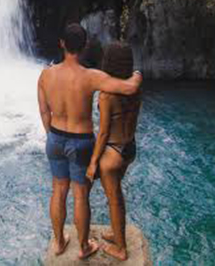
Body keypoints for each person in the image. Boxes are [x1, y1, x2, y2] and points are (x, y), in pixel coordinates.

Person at [37, 24, 143, 259]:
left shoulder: (46, 74)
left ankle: (59, 242)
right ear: (84, 47)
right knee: (80, 195)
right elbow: (128, 87)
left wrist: (51, 135)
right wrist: (137, 74)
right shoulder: (91, 77)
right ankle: (84, 246)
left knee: (58, 190)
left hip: (54, 136)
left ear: (62, 43)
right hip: (81, 140)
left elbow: (44, 111)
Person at [86, 41, 142, 261]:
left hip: (112, 150)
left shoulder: (107, 95)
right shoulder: (136, 85)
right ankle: (115, 232)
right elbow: (137, 75)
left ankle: (120, 248)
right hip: (129, 147)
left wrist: (93, 162)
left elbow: (103, 133)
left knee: (114, 199)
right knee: (116, 196)